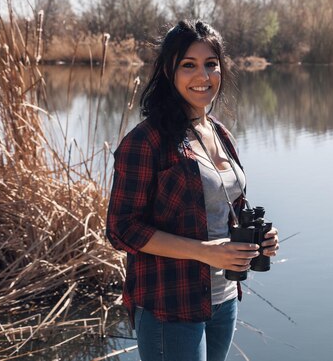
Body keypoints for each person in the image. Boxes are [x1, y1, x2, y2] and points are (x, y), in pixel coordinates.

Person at [106, 20, 279, 361]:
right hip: (170, 306)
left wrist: (259, 238)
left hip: (224, 297)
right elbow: (121, 230)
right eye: (189, 65)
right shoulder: (146, 141)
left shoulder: (219, 132)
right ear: (169, 72)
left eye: (210, 64)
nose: (203, 76)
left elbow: (221, 209)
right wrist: (204, 251)